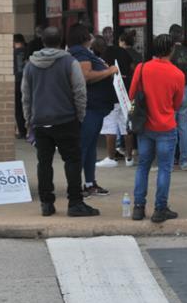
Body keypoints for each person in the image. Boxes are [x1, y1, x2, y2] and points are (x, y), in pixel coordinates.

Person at [20, 27, 99, 218]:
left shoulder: (30, 65)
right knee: (72, 161)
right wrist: (80, 116)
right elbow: (80, 91)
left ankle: (47, 204)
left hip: (40, 121)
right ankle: (75, 203)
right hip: (66, 119)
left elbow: (26, 96)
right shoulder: (69, 62)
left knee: (44, 163)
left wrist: (29, 120)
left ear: (42, 42)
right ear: (61, 41)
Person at [129, 34, 185, 222]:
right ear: (171, 50)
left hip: (144, 125)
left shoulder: (142, 68)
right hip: (166, 126)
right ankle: (160, 209)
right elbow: (177, 104)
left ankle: (138, 207)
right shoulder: (178, 74)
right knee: (164, 168)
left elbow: (132, 94)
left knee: (143, 166)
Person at [68, 25, 118, 197]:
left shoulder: (82, 52)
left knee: (90, 147)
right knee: (83, 147)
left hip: (96, 107)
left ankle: (90, 183)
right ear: (83, 37)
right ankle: (76, 188)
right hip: (90, 107)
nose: (91, 37)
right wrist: (108, 71)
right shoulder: (80, 53)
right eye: (89, 35)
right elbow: (85, 76)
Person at [96, 29, 138, 167]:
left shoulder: (103, 56)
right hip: (125, 93)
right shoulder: (123, 51)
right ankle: (129, 158)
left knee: (110, 126)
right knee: (126, 126)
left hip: (111, 93)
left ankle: (111, 158)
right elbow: (132, 67)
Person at [169, 24, 187, 171]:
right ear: (181, 36)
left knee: (170, 126)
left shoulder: (169, 53)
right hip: (185, 89)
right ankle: (185, 161)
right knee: (184, 127)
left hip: (170, 91)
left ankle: (171, 159)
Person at [13, 34, 28, 138]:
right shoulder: (28, 51)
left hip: (17, 82)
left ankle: (22, 131)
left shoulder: (12, 53)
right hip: (27, 81)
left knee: (18, 108)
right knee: (28, 105)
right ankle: (30, 131)